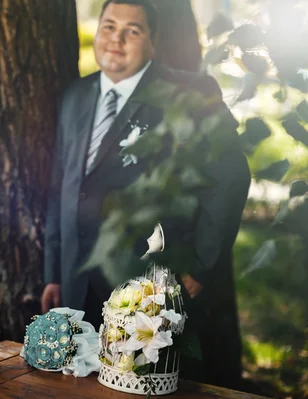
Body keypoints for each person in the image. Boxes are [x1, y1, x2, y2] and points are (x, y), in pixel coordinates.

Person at [40, 0, 250, 389]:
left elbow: (231, 176)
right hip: (76, 281)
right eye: (109, 27)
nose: (116, 39)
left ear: (153, 41)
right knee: (77, 387)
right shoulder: (76, 95)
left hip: (150, 287)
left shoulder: (188, 93)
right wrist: (54, 270)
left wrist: (202, 263)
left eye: (132, 31)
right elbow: (63, 184)